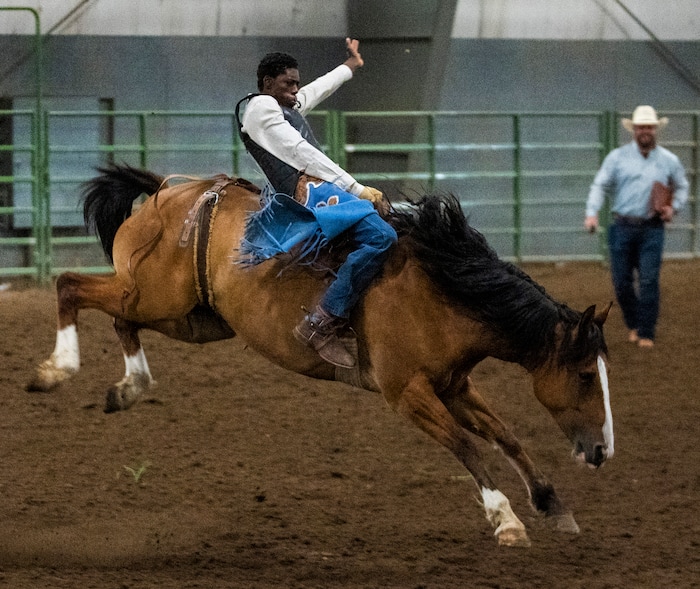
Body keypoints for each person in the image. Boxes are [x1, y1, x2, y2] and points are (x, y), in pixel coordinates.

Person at [236, 38, 397, 368]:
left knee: (392, 223)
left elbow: (315, 91)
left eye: (296, 83)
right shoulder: (261, 109)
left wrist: (350, 67)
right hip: (306, 192)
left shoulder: (277, 106)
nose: (296, 90)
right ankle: (321, 322)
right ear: (268, 84)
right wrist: (356, 187)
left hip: (314, 187)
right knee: (382, 237)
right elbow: (300, 152)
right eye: (289, 83)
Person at [584, 105, 689, 348]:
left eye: (649, 127)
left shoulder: (669, 160)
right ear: (634, 129)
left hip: (652, 228)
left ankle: (646, 332)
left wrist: (674, 207)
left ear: (655, 130)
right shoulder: (617, 158)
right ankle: (634, 322)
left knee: (649, 280)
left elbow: (682, 186)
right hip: (622, 226)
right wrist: (592, 213)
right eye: (642, 126)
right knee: (621, 282)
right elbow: (599, 185)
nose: (646, 131)